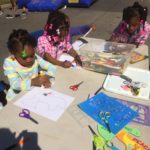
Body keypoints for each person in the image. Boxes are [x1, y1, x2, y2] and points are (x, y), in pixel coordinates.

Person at [3, 29, 56, 101]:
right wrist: (33, 81)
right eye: (24, 57)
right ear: (14, 54)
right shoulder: (9, 62)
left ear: (34, 50)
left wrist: (46, 76)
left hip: (34, 94)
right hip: (16, 98)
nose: (29, 60)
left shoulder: (35, 57)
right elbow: (15, 85)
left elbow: (52, 67)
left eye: (31, 55)